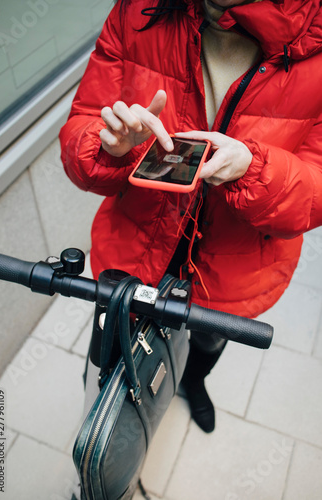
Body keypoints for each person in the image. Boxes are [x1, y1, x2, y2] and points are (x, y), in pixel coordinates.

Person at [60, 0, 322, 434]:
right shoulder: (138, 11)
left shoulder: (313, 38)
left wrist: (254, 170)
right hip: (135, 242)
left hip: (235, 266)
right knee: (109, 352)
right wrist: (109, 146)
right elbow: (81, 128)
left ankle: (192, 383)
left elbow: (315, 190)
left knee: (206, 339)